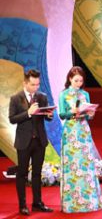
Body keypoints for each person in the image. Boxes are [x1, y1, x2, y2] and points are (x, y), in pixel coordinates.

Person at [59, 66, 102, 213]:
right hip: (71, 130)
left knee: (86, 163)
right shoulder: (64, 95)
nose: (79, 83)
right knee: (72, 164)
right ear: (70, 79)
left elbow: (89, 114)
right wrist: (72, 113)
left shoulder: (85, 94)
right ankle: (72, 203)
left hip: (83, 130)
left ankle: (90, 201)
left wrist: (90, 114)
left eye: (81, 81)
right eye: (76, 80)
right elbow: (61, 114)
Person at [8, 69, 54, 216]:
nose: (36, 87)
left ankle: (37, 203)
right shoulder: (16, 98)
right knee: (22, 173)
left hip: (39, 140)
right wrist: (28, 113)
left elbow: (46, 117)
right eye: (33, 84)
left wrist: (49, 115)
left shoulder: (42, 97)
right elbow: (12, 119)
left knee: (37, 173)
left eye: (37, 84)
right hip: (24, 141)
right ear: (25, 83)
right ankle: (22, 205)